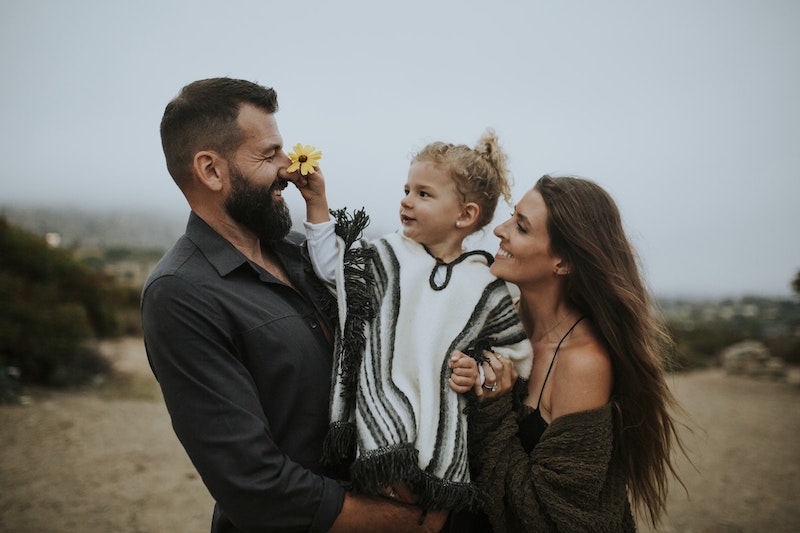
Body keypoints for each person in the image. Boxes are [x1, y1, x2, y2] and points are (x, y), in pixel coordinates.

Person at [141, 77, 447, 532]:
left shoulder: (303, 251)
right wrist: (410, 523)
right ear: (210, 170)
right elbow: (256, 485)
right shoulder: (181, 294)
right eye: (268, 155)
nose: (289, 167)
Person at [289, 130, 533, 512]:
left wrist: (478, 373)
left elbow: (510, 357)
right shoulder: (386, 255)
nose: (406, 200)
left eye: (423, 194)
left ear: (465, 215)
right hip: (379, 424)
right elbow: (333, 271)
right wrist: (317, 203)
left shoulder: (484, 284)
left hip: (445, 424)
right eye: (406, 189)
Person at [449, 175, 686, 531]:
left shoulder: (583, 362)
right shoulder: (493, 324)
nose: (500, 229)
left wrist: (495, 409)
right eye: (512, 216)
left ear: (563, 262)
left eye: (522, 227)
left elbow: (554, 519)